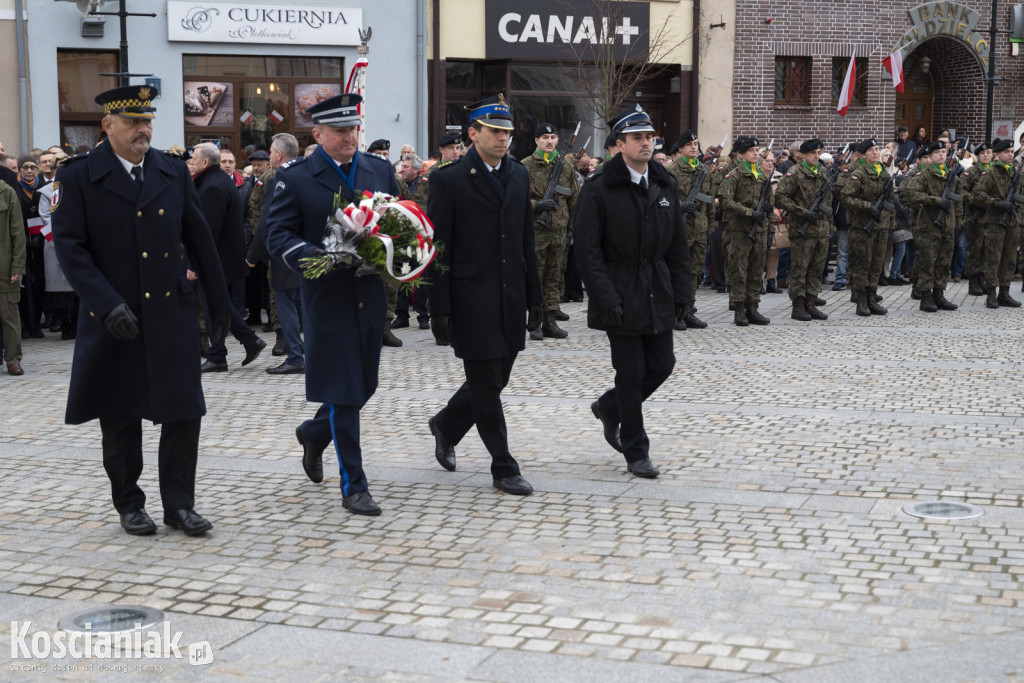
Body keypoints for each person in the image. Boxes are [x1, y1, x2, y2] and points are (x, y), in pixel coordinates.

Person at [51, 85, 232, 537]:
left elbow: (200, 240)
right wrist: (105, 302)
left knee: (183, 410)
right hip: (115, 316)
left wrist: (220, 303)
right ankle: (129, 503)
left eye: (147, 121)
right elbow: (71, 250)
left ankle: (180, 505)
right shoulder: (78, 177)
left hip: (170, 313)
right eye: (133, 122)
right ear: (108, 125)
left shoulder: (171, 171)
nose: (143, 130)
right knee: (120, 414)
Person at [265, 93, 400, 516]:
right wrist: (318, 256)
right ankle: (354, 485)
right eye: (339, 131)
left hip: (370, 293)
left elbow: (397, 219)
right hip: (328, 297)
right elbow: (277, 235)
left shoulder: (379, 168)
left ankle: (313, 432)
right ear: (317, 134)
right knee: (344, 392)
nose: (349, 137)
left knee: (366, 386)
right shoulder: (297, 176)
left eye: (353, 129)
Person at [426, 94, 543, 496]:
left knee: (496, 379)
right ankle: (503, 467)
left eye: (508, 133)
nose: (503, 139)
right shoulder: (448, 178)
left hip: (509, 297)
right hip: (469, 298)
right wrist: (437, 307)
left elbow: (526, 240)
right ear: (472, 134)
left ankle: (446, 424)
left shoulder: (518, 174)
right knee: (486, 384)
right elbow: (437, 247)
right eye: (495, 131)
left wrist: (536, 299)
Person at [573, 103, 690, 478]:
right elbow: (588, 250)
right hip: (620, 288)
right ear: (619, 144)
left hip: (657, 285)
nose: (646, 143)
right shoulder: (599, 188)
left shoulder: (663, 182)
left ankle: (610, 408)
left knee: (662, 364)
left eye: (649, 137)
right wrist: (605, 297)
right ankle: (636, 449)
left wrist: (682, 292)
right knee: (630, 371)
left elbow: (677, 244)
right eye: (637, 137)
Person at [189, 143, 267, 372]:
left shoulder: (212, 186)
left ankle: (221, 354)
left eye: (194, 158)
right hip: (222, 257)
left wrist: (195, 262)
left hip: (216, 258)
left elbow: (208, 231)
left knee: (214, 303)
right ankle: (240, 345)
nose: (191, 161)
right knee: (218, 302)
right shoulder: (216, 181)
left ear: (205, 162)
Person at [247, 133, 304, 373]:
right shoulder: (305, 172)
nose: (269, 155)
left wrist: (252, 255)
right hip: (307, 248)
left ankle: (295, 357)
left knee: (285, 304)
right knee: (303, 304)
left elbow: (266, 221)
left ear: (279, 154)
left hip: (284, 251)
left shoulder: (279, 176)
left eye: (270, 151)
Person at [522, 122, 580, 340]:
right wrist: (537, 206)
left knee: (554, 277)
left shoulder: (565, 166)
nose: (549, 141)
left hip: (559, 232)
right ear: (536, 140)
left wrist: (574, 228)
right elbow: (515, 201)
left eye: (553, 137)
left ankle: (550, 321)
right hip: (536, 232)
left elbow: (574, 198)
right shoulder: (525, 166)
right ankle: (534, 322)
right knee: (535, 277)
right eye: (544, 137)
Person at [775, 139, 833, 321]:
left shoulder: (823, 172)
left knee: (816, 269)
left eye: (819, 153)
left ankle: (811, 302)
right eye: (813, 153)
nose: (817, 156)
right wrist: (802, 212)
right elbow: (780, 197)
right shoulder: (795, 173)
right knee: (800, 269)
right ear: (803, 155)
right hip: (802, 230)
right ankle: (798, 306)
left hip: (821, 229)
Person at [900, 141, 961, 312]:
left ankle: (939, 295)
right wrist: (935, 201)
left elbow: (958, 200)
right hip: (928, 226)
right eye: (937, 153)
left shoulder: (951, 176)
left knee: (943, 263)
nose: (941, 155)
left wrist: (957, 222)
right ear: (931, 156)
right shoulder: (924, 175)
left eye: (943, 152)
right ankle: (925, 297)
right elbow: (910, 194)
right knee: (928, 262)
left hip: (947, 226)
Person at [720, 137, 773, 326]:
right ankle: (739, 309)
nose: (755, 153)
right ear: (742, 154)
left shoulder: (762, 176)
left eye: (757, 150)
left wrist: (769, 226)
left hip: (759, 230)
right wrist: (750, 213)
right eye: (751, 150)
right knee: (739, 271)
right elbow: (726, 202)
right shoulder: (734, 175)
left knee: (756, 271)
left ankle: (753, 308)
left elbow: (770, 204)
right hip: (740, 231)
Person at [841, 139, 892, 316]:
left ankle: (872, 299)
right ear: (863, 154)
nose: (875, 152)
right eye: (871, 150)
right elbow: (846, 196)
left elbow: (890, 201)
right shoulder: (859, 173)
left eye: (877, 149)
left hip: (881, 226)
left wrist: (887, 219)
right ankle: (861, 301)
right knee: (863, 265)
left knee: (876, 265)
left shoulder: (883, 173)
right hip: (863, 226)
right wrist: (867, 206)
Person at [666, 129, 712, 329]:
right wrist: (681, 205)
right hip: (680, 228)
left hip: (700, 228)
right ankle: (673, 312)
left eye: (696, 144)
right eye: (690, 145)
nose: (694, 147)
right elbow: (663, 199)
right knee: (677, 271)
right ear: (680, 148)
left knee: (694, 272)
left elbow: (709, 200)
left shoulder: (703, 170)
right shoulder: (671, 171)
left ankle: (688, 310)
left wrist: (711, 225)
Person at [972, 138, 1022, 307]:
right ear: (998, 155)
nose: (1010, 155)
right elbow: (978, 195)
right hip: (995, 222)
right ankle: (992, 294)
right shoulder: (992, 173)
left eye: (1011, 152)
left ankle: (1005, 293)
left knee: (1009, 258)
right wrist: (999, 203)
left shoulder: (1015, 173)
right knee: (993, 258)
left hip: (1012, 222)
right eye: (1006, 152)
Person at [0, 177, 25, 375]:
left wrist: (18, 265)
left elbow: (18, 231)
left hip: (4, 268)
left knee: (9, 317)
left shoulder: (7, 192)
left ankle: (13, 360)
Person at [963, 142, 993, 296]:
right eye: (983, 153)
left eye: (988, 152)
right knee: (974, 250)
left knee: (986, 251)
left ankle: (982, 279)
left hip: (991, 219)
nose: (986, 155)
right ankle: (973, 282)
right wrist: (975, 202)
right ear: (978, 155)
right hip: (975, 218)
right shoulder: (972, 172)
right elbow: (962, 191)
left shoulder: (994, 171)